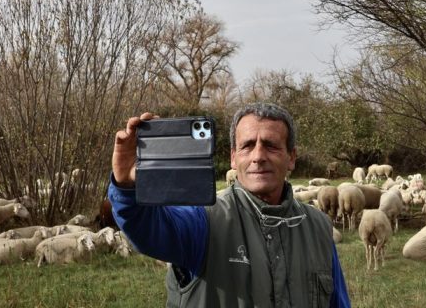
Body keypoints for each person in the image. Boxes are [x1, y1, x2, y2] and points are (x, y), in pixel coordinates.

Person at [109, 102, 351, 307]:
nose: (258, 156)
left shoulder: (318, 226)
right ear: (234, 158)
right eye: (247, 146)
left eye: (271, 145)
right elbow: (149, 230)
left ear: (291, 158)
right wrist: (126, 187)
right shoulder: (203, 220)